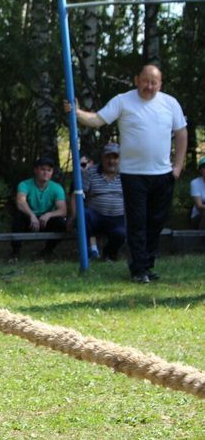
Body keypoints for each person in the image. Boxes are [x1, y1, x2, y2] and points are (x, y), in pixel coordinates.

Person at [66, 64, 187, 283]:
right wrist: (76, 112)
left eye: (154, 82)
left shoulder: (170, 104)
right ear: (136, 80)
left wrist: (177, 167)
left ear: (160, 84)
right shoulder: (123, 100)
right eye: (145, 81)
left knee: (156, 222)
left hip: (163, 174)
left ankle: (148, 265)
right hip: (133, 175)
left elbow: (181, 133)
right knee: (137, 222)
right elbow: (96, 120)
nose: (149, 86)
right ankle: (138, 269)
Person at [68, 143, 125, 261]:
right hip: (96, 217)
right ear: (102, 158)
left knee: (122, 233)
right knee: (83, 215)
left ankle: (109, 254)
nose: (111, 161)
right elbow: (76, 195)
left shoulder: (126, 174)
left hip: (118, 218)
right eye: (108, 157)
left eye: (115, 157)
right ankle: (88, 252)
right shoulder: (90, 172)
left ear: (120, 159)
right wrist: (73, 216)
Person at [11, 156, 67, 259]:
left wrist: (49, 214)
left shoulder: (57, 188)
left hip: (45, 220)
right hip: (29, 219)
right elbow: (20, 202)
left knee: (62, 224)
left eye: (49, 170)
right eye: (43, 169)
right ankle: (15, 253)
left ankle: (47, 250)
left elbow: (63, 210)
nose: (46, 173)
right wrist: (32, 215)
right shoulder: (24, 184)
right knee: (18, 218)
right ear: (36, 170)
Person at [189, 157, 205, 230]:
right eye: (204, 167)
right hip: (198, 216)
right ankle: (199, 239)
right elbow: (199, 206)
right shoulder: (195, 183)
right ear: (200, 170)